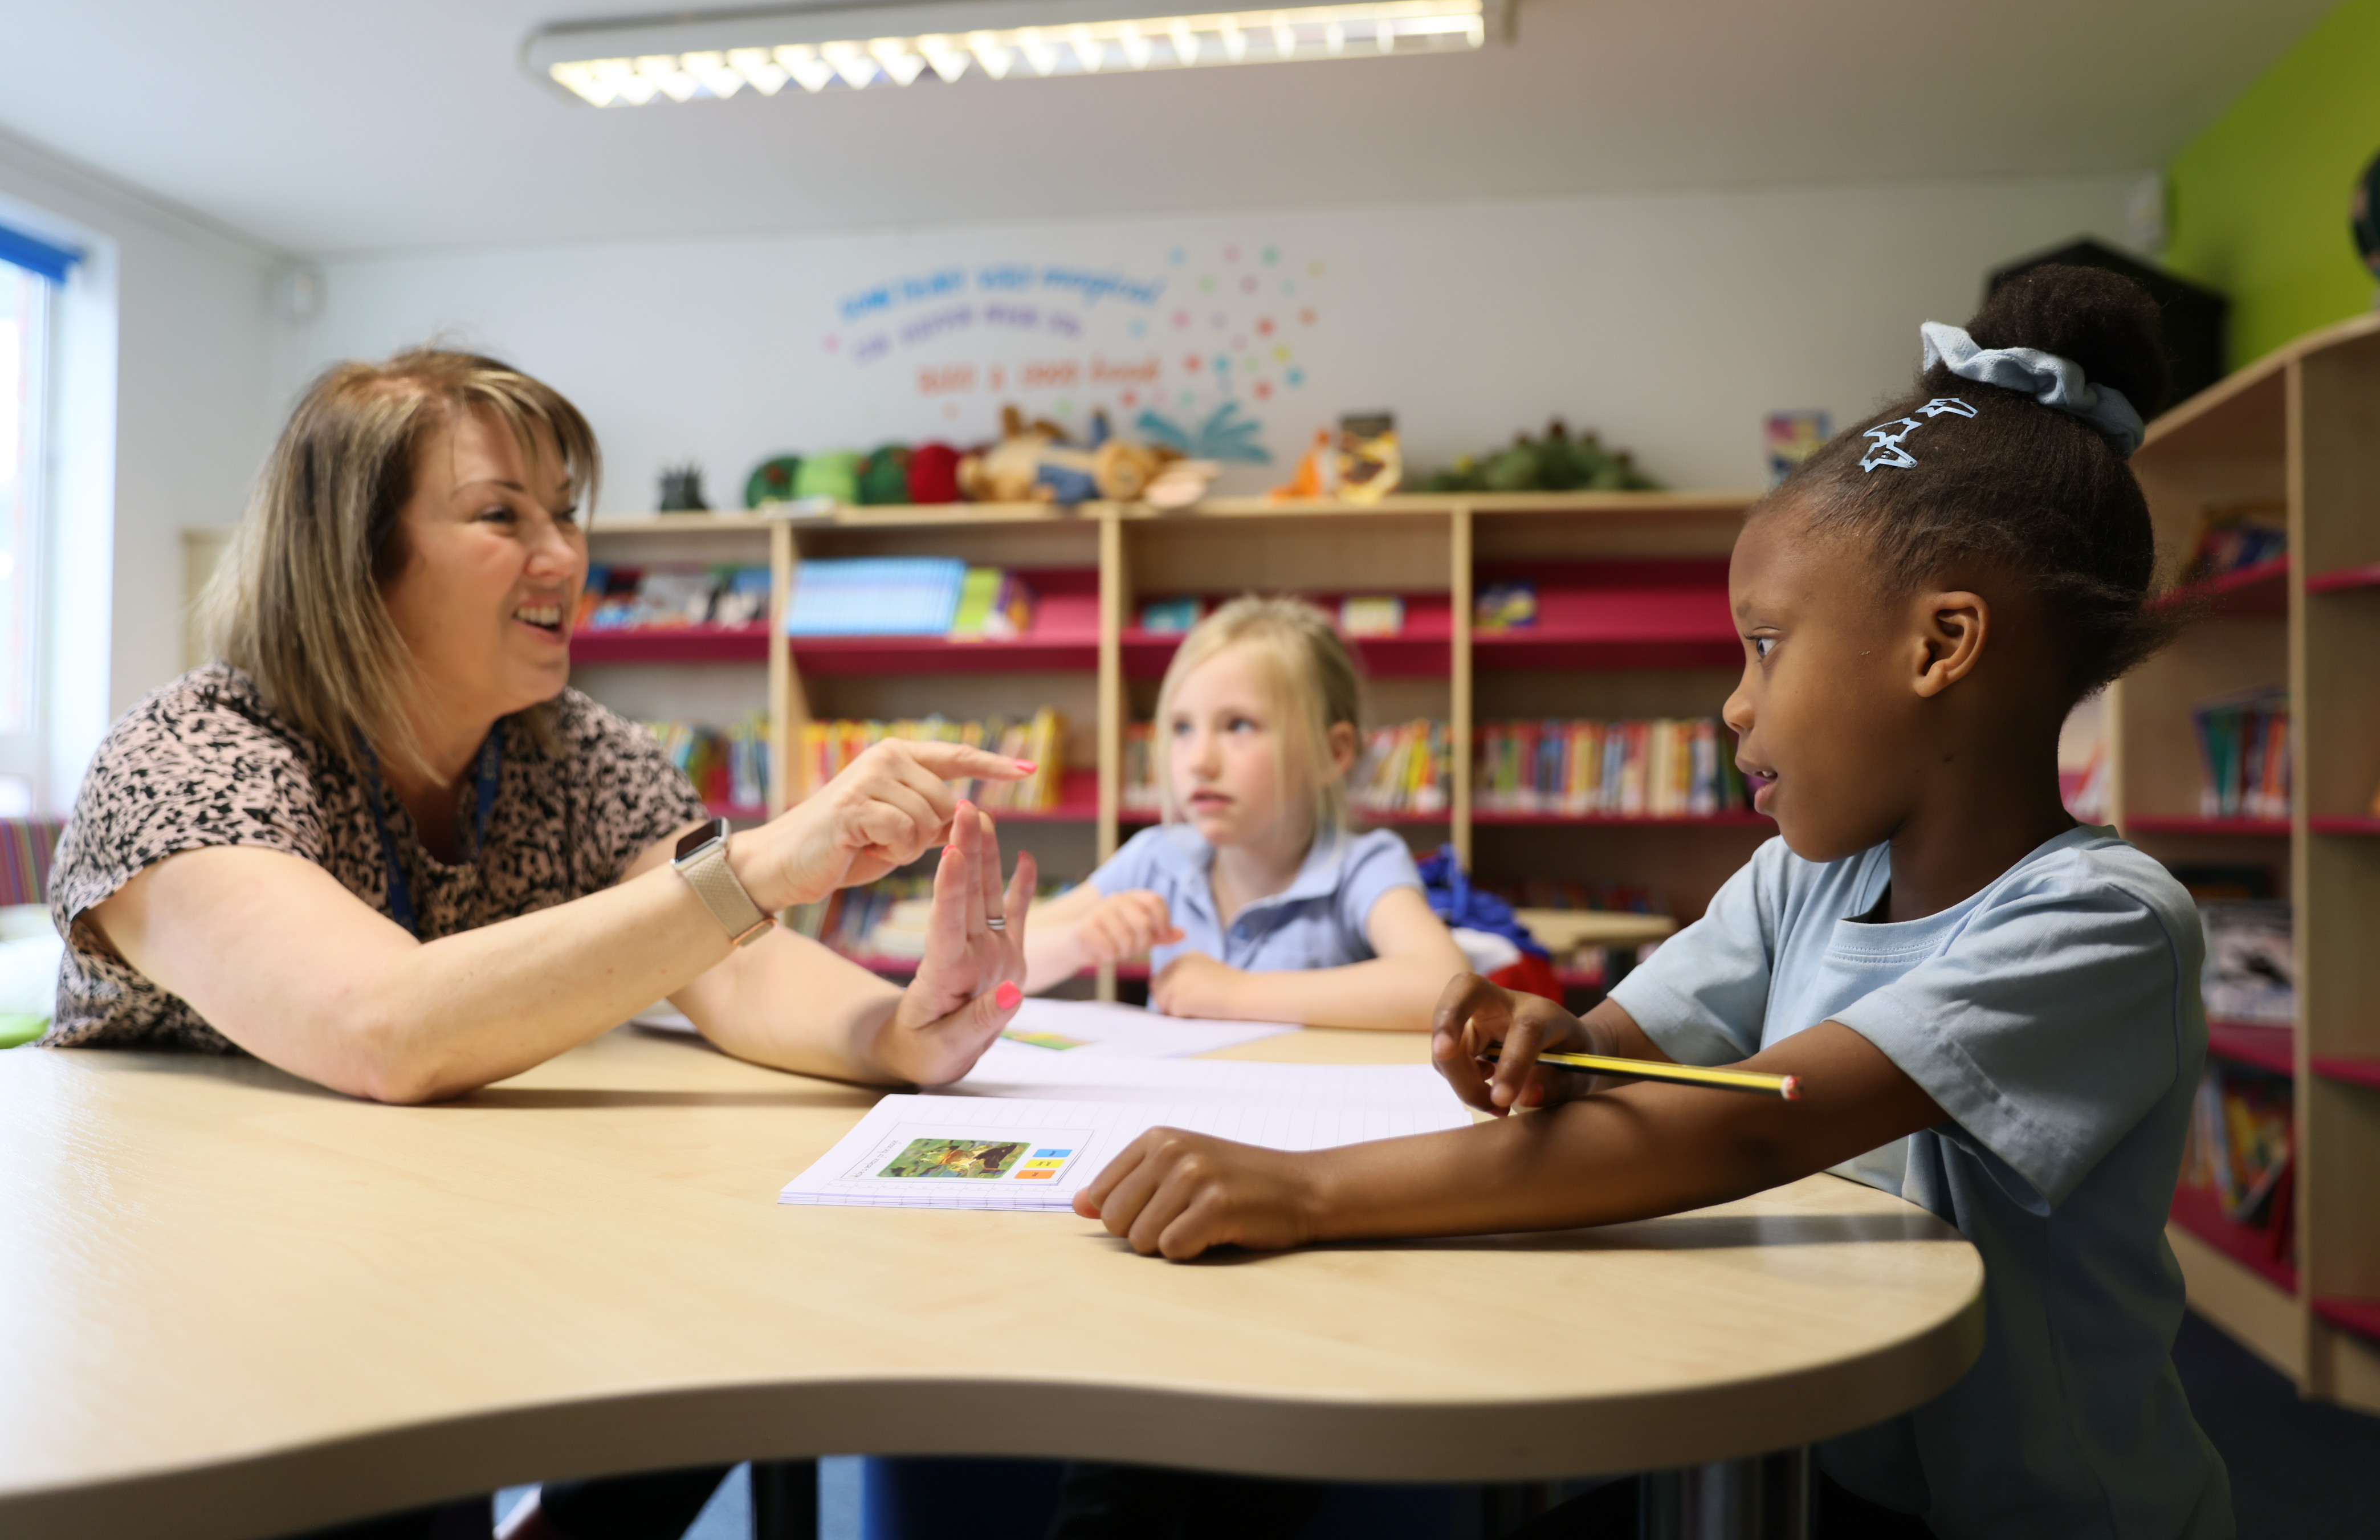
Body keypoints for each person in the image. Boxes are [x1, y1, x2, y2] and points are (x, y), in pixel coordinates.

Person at [1074, 268, 2235, 1539]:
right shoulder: (1814, 873)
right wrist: (1558, 1051)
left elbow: (1748, 1129)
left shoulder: (2103, 921)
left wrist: (1305, 1192)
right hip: (1820, 1456)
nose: (1735, 706)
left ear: (1940, 645)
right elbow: (1630, 1048)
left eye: (1767, 644)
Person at [43, 349, 1039, 1540]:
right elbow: (381, 1027)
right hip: (175, 1347)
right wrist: (769, 860)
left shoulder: (569, 749)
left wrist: (896, 1031)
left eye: (565, 512)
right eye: (501, 515)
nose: (566, 555)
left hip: (412, 1268)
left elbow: (733, 959)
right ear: (354, 559)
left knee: (710, 1356)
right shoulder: (188, 758)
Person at [1018, 595, 1466, 1027]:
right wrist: (1078, 943)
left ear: (1331, 753)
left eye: (1238, 725)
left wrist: (1233, 994)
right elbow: (998, 960)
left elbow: (1448, 987)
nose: (1199, 761)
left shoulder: (1361, 868)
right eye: (1182, 728)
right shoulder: (1157, 858)